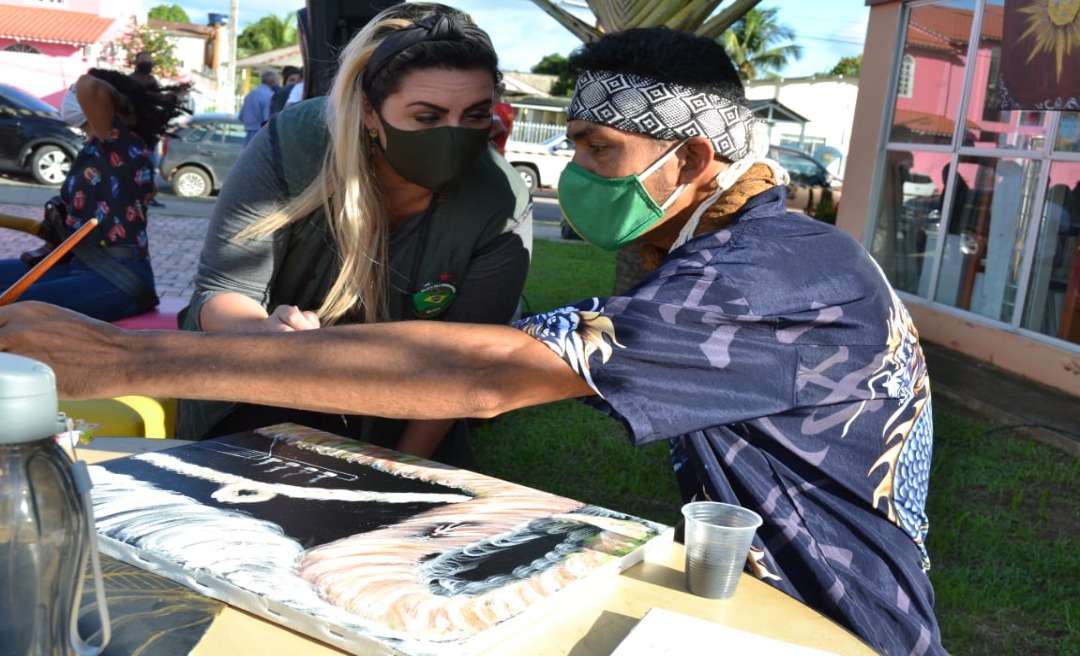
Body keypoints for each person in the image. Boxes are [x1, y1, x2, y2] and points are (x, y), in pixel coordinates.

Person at [0, 26, 942, 655]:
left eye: (593, 149)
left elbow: (484, 367)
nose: (569, 172)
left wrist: (129, 360)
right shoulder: (738, 248)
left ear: (690, 159)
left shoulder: (767, 272)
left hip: (837, 620)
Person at [173, 2, 532, 467]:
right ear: (368, 112)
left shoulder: (501, 201)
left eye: (475, 116)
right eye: (426, 117)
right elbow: (221, 293)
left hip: (413, 408)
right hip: (262, 390)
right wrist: (265, 333)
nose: (454, 136)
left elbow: (467, 364)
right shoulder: (295, 144)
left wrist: (398, 472)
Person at [0, 69, 189, 322]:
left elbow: (89, 85)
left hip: (118, 277)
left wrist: (124, 103)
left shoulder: (122, 144)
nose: (73, 96)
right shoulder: (95, 148)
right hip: (78, 266)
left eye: (74, 94)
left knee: (11, 310)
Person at [128, 51, 166, 206]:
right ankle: (132, 196)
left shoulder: (153, 81)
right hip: (135, 131)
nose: (147, 64)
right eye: (144, 61)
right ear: (137, 63)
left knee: (151, 165)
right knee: (135, 165)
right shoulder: (130, 81)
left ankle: (148, 196)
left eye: (149, 61)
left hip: (151, 131)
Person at [238, 69, 279, 145]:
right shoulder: (269, 95)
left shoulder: (251, 93)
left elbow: (241, 116)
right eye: (276, 81)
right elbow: (267, 119)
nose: (277, 83)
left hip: (249, 133)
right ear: (271, 82)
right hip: (259, 133)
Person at [489, 82, 513, 155]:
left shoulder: (495, 109)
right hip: (501, 150)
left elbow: (501, 129)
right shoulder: (509, 108)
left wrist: (484, 140)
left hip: (492, 150)